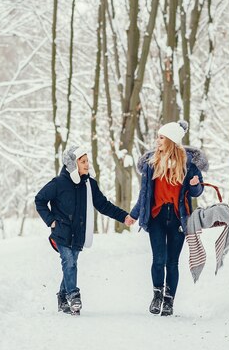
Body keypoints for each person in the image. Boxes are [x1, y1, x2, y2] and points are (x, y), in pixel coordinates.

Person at [35, 145, 135, 315]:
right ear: (73, 164)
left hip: (78, 234)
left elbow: (103, 205)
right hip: (61, 232)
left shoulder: (89, 185)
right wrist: (51, 221)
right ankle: (74, 296)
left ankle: (62, 296)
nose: (87, 164)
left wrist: (124, 217)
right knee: (69, 262)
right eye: (83, 161)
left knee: (71, 264)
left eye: (87, 161)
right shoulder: (58, 183)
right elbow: (40, 200)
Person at [129, 120, 208, 316]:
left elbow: (196, 192)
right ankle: (157, 295)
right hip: (156, 217)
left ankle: (169, 299)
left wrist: (196, 184)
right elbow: (145, 194)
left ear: (171, 140)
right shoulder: (151, 164)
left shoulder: (188, 165)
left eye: (161, 137)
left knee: (172, 262)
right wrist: (133, 214)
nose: (157, 141)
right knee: (158, 259)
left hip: (178, 218)